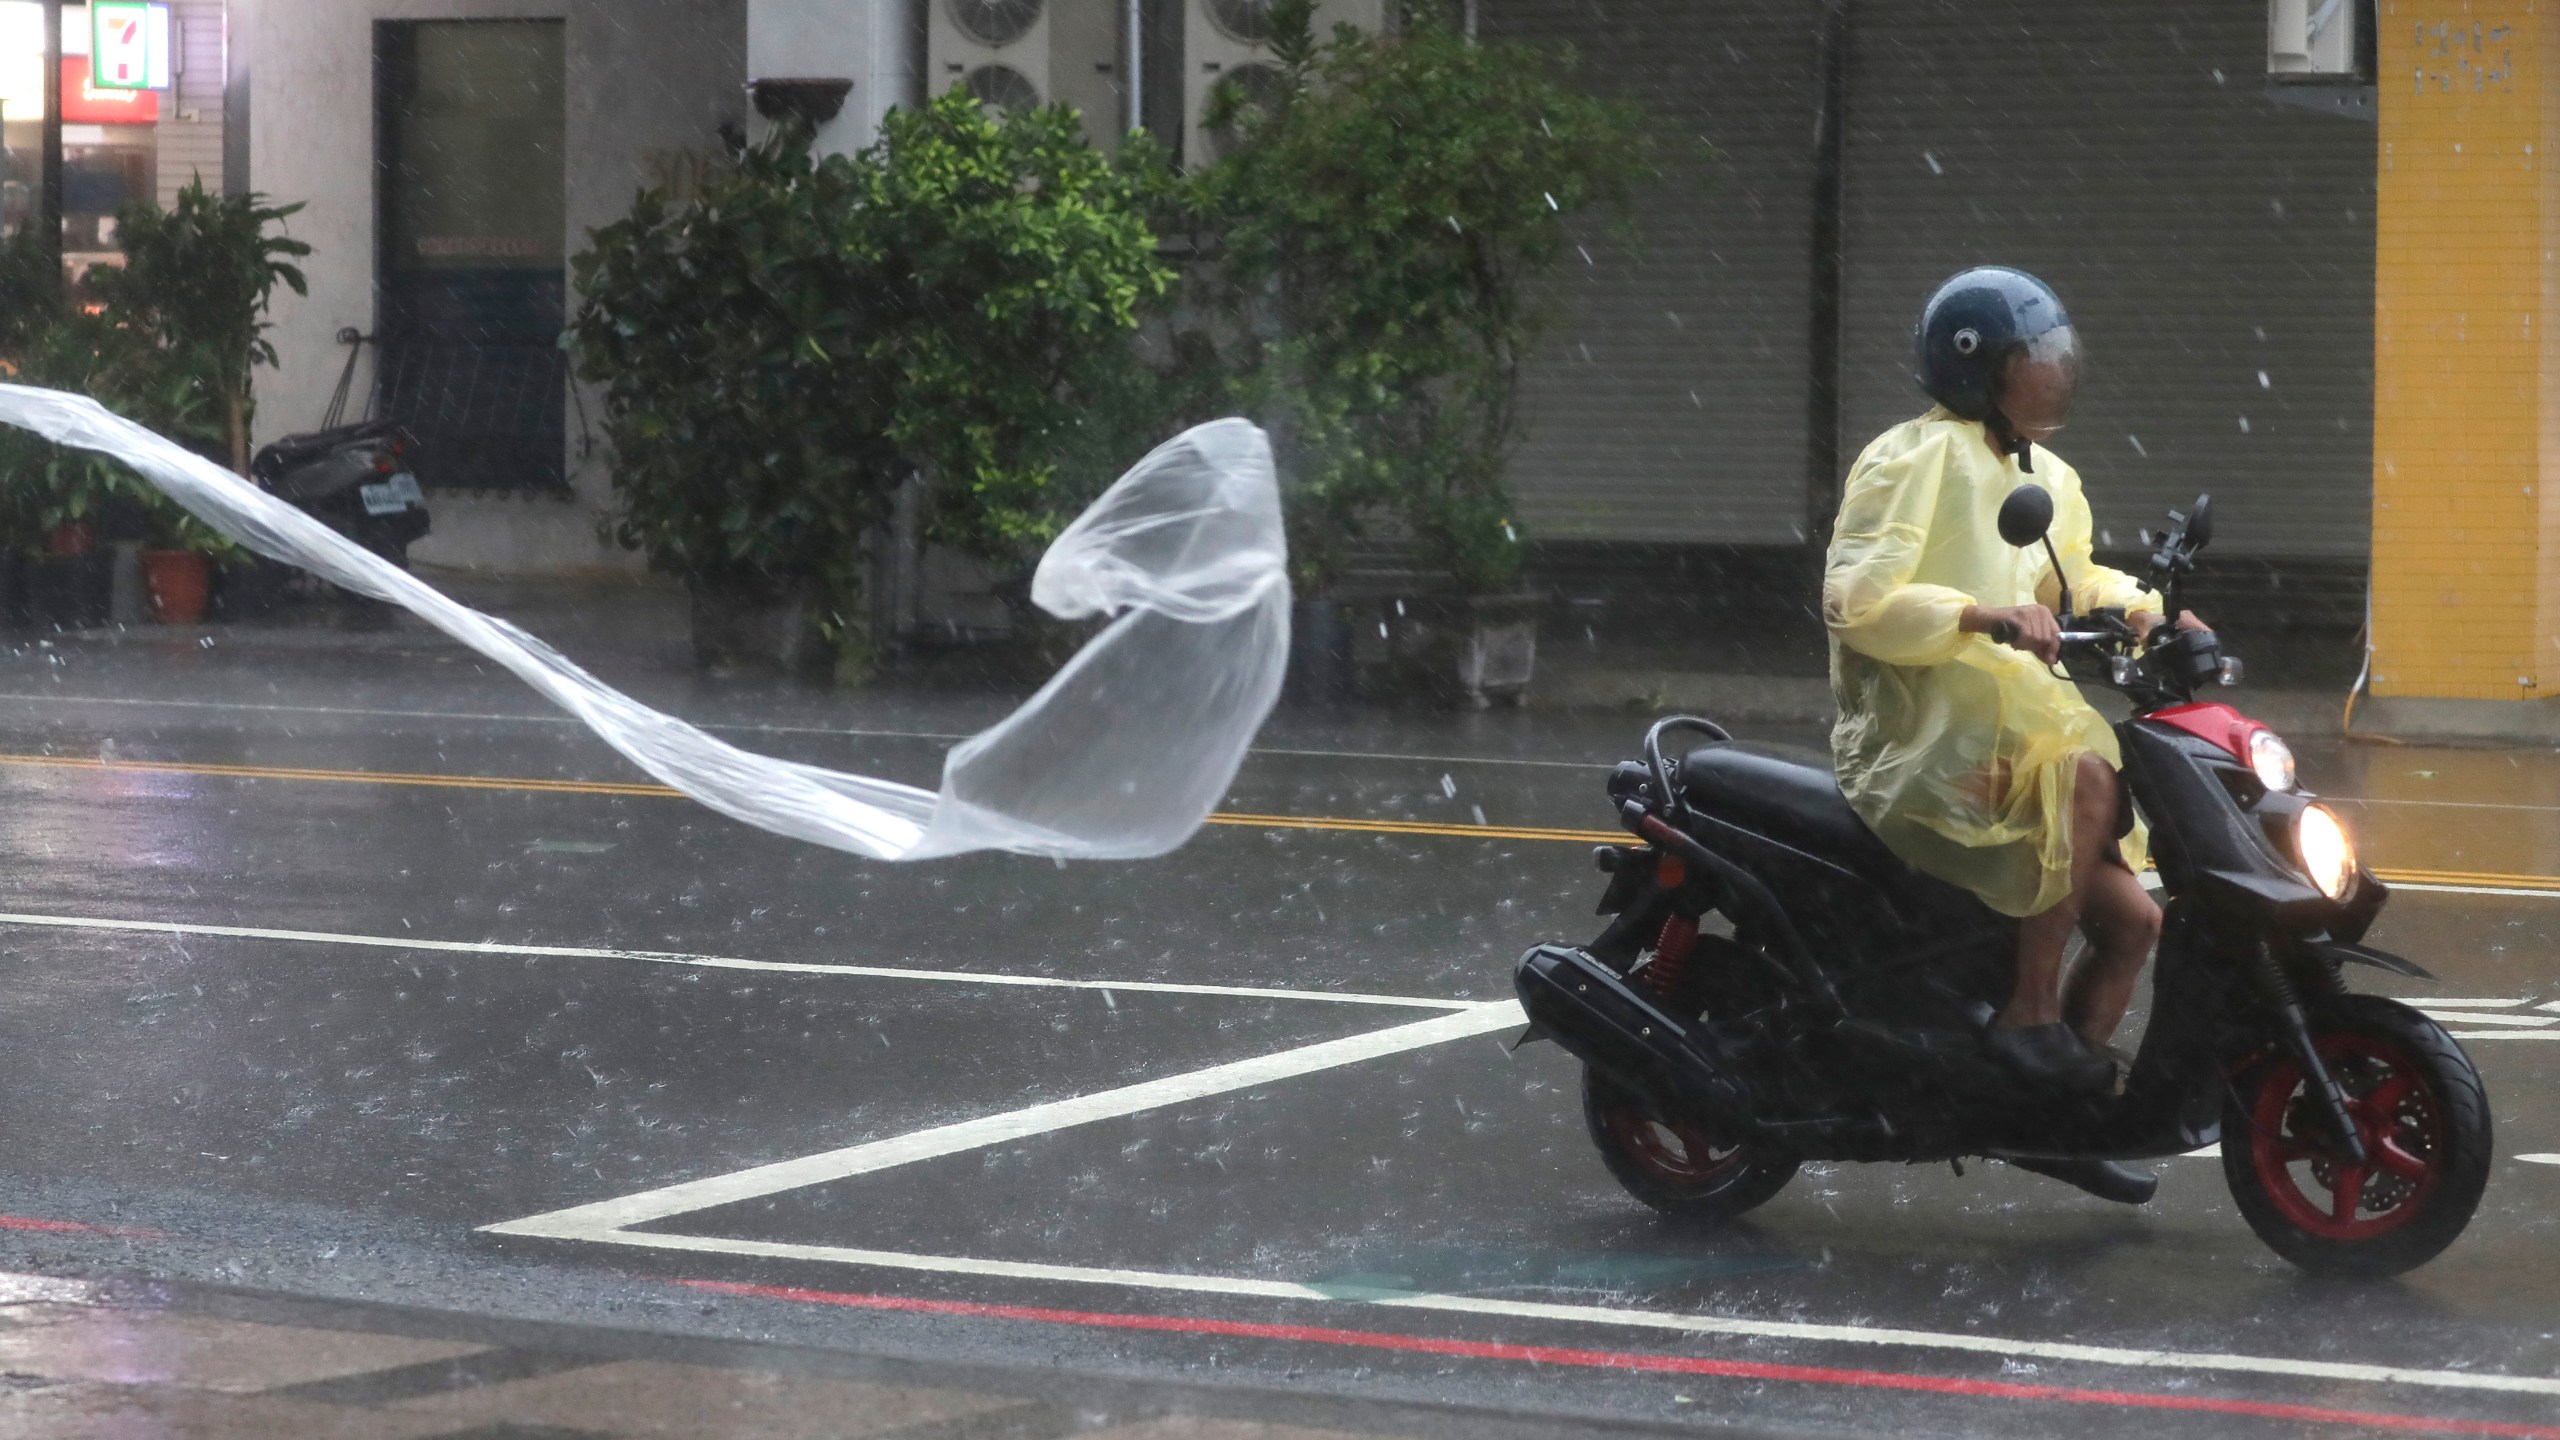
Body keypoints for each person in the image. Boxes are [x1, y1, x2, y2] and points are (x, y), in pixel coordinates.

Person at [1823, 267, 2208, 1102]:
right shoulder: (1914, 458)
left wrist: (2149, 614)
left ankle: (2059, 1109)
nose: (2054, 370)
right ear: (1977, 366)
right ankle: (2025, 1017)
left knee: (2139, 921)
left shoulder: (2050, 477)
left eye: (2055, 354)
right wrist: (1973, 616)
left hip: (2006, 722)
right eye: (2033, 357)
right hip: (1920, 728)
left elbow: (2063, 583)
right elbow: (1855, 602)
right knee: (2088, 775)